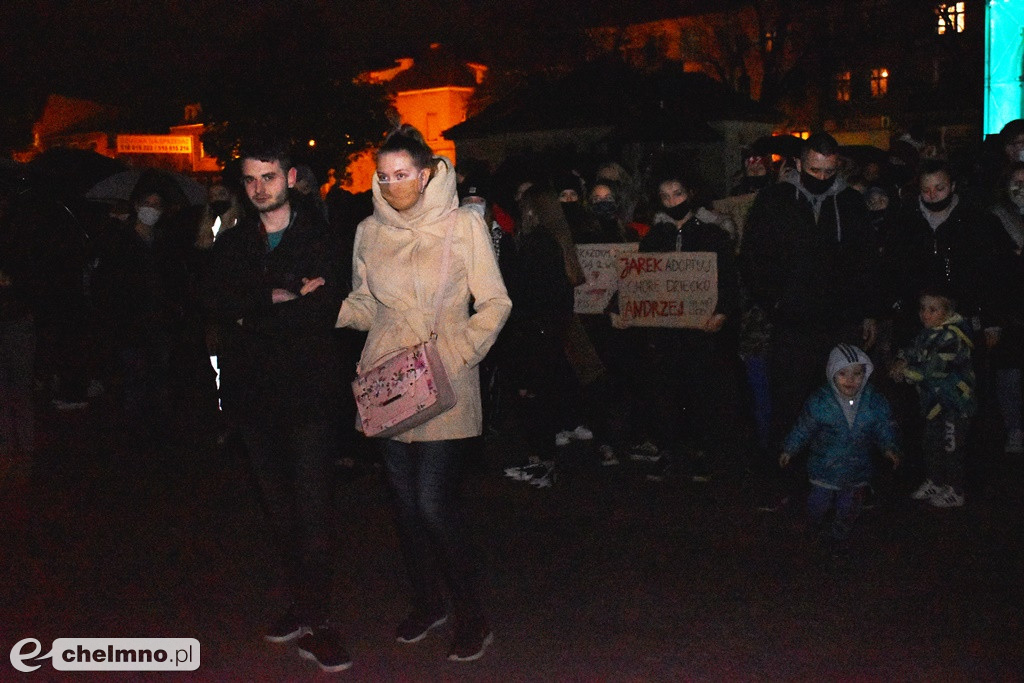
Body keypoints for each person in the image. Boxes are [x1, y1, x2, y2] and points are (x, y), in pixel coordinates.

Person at [334, 125, 511, 662]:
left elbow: (496, 303)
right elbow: (366, 303)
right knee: (405, 504)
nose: (393, 185)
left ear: (428, 171)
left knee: (433, 502)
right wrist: (325, 309)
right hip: (387, 378)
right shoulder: (368, 230)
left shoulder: (464, 227)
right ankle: (427, 601)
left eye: (403, 174)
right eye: (384, 176)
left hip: (446, 377)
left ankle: (471, 614)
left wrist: (456, 355)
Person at [200, 135, 351, 672]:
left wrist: (254, 311)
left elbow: (322, 313)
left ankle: (322, 622)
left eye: (269, 176)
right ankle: (299, 604)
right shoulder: (234, 241)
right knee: (280, 512)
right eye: (250, 178)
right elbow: (212, 300)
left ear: (290, 178)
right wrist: (272, 295)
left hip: (307, 397)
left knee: (312, 511)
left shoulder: (321, 238)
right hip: (253, 399)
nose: (259, 187)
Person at [741, 132, 881, 507]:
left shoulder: (850, 204)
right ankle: (787, 480)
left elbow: (866, 260)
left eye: (828, 171)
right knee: (789, 402)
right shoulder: (774, 201)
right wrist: (774, 302)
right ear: (799, 165)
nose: (820, 177)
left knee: (845, 401)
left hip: (839, 321)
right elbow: (754, 256)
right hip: (792, 321)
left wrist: (866, 310)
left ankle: (847, 479)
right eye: (814, 170)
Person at [628, 168, 740, 481]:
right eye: (665, 196)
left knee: (700, 394)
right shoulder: (654, 237)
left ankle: (701, 453)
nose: (672, 200)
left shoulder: (712, 235)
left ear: (689, 194)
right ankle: (669, 452)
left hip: (700, 331)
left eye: (677, 194)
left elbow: (729, 280)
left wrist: (722, 312)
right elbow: (639, 279)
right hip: (665, 333)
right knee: (665, 394)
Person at [780, 344, 899, 558]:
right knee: (818, 503)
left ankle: (838, 537)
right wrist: (790, 448)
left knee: (849, 508)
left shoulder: (874, 402)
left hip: (857, 469)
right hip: (825, 467)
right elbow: (804, 427)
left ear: (866, 373)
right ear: (832, 373)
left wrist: (889, 447)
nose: (850, 380)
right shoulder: (820, 402)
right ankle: (814, 524)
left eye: (857, 374)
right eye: (842, 373)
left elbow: (884, 426)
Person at [890, 289, 976, 508]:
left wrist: (905, 371)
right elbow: (912, 350)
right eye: (922, 308)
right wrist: (900, 359)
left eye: (932, 309)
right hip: (934, 403)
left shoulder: (953, 336)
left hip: (955, 404)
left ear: (947, 312)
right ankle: (936, 481)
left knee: (951, 446)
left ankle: (955, 489)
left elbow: (934, 369)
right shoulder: (927, 333)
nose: (925, 314)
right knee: (930, 443)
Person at [986, 162, 1024, 453]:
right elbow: (996, 266)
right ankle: (1014, 429)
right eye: (1016, 182)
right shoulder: (997, 217)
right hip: (1010, 308)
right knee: (1009, 375)